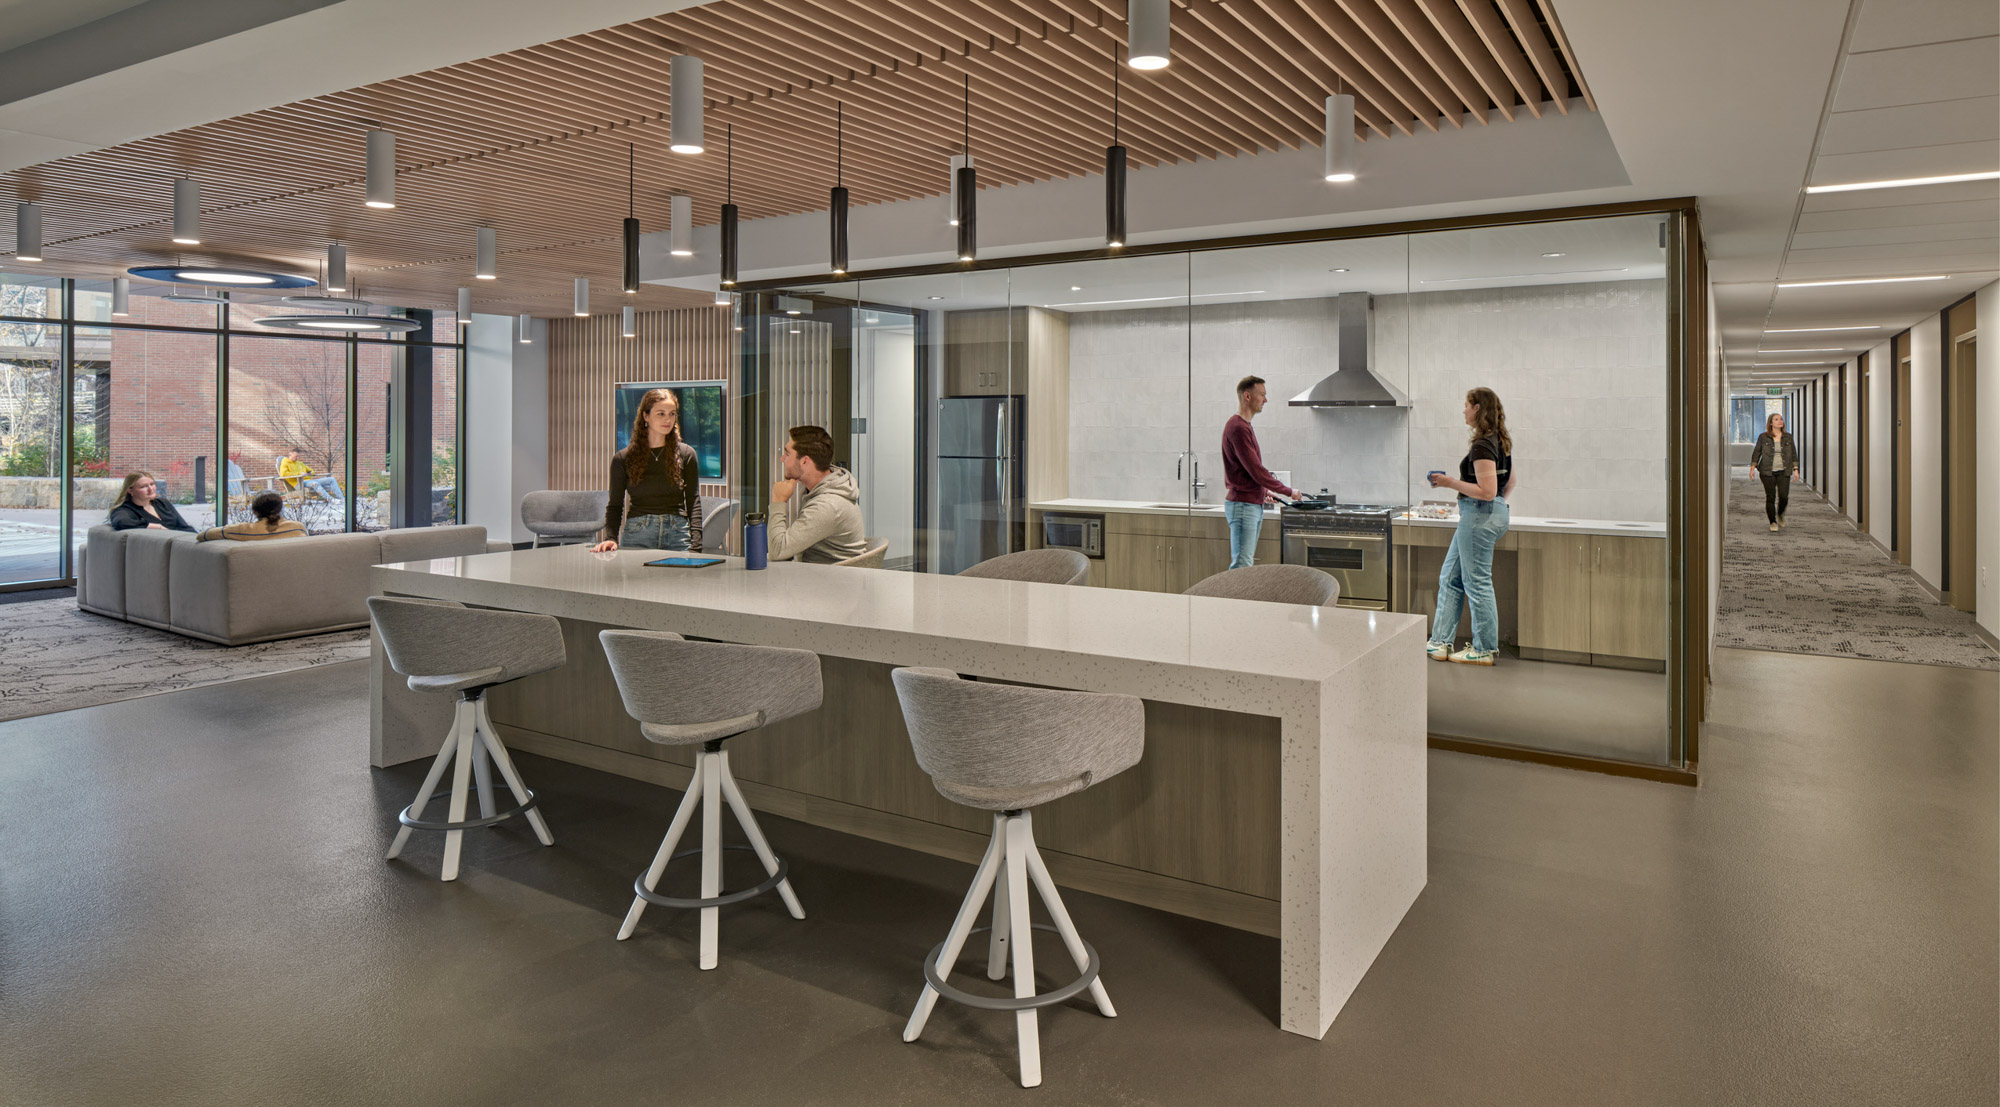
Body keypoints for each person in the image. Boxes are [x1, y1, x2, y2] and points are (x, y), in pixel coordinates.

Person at [1425, 387, 1516, 667]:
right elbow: (1509, 483)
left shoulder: (1482, 445)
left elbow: (1487, 491)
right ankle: (1439, 643)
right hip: (1484, 514)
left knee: (1476, 583)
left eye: (1466, 405)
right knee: (1450, 578)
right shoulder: (1500, 442)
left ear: (1477, 408)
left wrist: (1449, 482)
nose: (1463, 410)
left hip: (1478, 514)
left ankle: (1484, 649)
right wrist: (1495, 508)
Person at [591, 388, 703, 553]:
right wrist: (611, 538)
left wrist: (697, 544)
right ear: (646, 416)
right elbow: (615, 505)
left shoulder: (687, 454)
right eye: (661, 414)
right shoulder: (623, 458)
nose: (668, 419)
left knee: (682, 579)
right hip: (637, 533)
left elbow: (693, 502)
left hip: (677, 534)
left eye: (672, 414)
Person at [1220, 375, 1300, 570]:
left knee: (1244, 565)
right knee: (1242, 566)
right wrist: (1288, 491)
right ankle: (1234, 602)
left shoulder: (1244, 426)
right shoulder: (1238, 428)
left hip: (1249, 504)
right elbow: (1257, 471)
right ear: (1247, 396)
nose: (1266, 400)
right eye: (1262, 395)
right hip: (1243, 506)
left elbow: (1246, 472)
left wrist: (1264, 492)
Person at [767, 425, 867, 564]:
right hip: (818, 575)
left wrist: (778, 501)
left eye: (787, 454)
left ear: (805, 461)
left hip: (830, 581)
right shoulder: (823, 486)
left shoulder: (827, 505)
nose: (782, 459)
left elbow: (777, 552)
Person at [1749, 412, 1798, 532]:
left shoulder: (1788, 437)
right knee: (1770, 497)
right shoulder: (1763, 437)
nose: (1780, 421)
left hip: (1784, 471)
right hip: (1767, 471)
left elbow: (1793, 454)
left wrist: (1795, 469)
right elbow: (1757, 452)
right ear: (1771, 423)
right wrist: (1752, 468)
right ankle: (1772, 521)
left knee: (1784, 496)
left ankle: (1780, 514)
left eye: (1781, 419)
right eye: (1776, 419)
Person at [106, 471, 196, 532]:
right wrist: (157, 527)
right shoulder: (124, 510)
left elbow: (184, 526)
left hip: (179, 544)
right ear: (130, 490)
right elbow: (121, 522)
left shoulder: (162, 503)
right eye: (143, 487)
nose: (150, 489)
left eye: (152, 484)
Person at [199, 491, 305, 542]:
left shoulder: (242, 530)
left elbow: (202, 535)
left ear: (255, 512)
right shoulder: (298, 527)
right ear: (280, 509)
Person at [278, 448, 342, 502]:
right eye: (296, 456)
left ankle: (342, 498)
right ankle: (331, 500)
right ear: (290, 455)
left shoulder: (300, 463)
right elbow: (284, 474)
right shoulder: (285, 463)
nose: (297, 458)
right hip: (298, 483)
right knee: (315, 484)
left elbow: (311, 471)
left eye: (298, 456)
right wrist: (299, 474)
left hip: (308, 481)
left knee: (331, 479)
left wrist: (309, 473)